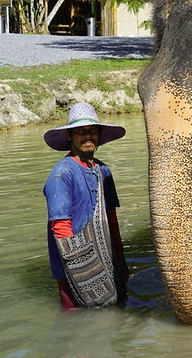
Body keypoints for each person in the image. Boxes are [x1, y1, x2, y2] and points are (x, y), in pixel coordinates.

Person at [43, 102, 129, 308]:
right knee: (77, 315)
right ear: (70, 137)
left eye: (92, 131)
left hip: (106, 254)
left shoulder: (103, 170)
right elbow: (60, 226)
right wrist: (82, 271)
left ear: (99, 136)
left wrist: (120, 260)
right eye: (80, 132)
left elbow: (111, 218)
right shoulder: (61, 175)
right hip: (74, 263)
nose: (87, 136)